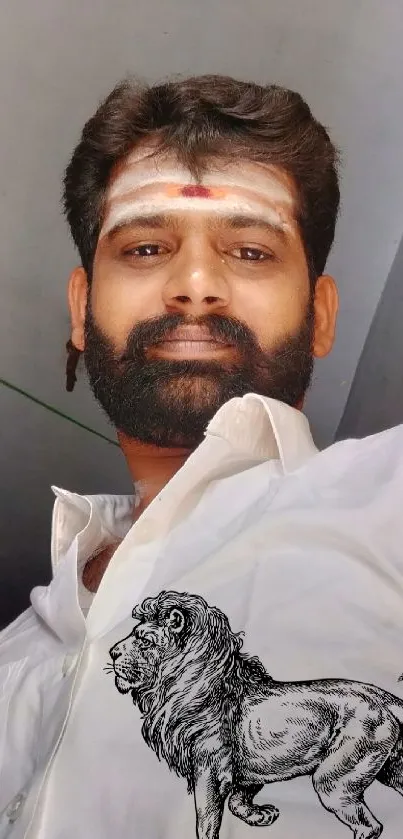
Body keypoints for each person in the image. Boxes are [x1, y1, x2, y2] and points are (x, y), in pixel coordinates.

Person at [1, 74, 402, 839]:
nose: (193, 285)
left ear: (319, 317)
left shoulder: (387, 503)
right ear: (82, 310)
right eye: (146, 247)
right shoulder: (16, 650)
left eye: (250, 251)